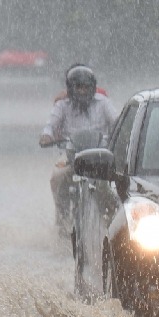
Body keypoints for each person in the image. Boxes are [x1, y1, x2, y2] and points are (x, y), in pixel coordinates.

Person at [39, 64, 119, 226]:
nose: (82, 91)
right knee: (57, 177)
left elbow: (117, 122)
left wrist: (119, 136)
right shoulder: (62, 105)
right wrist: (46, 136)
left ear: (93, 87)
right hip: (70, 155)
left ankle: (113, 219)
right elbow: (50, 125)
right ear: (70, 89)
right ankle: (62, 217)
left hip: (100, 156)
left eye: (86, 87)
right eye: (78, 87)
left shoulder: (104, 103)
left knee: (112, 183)